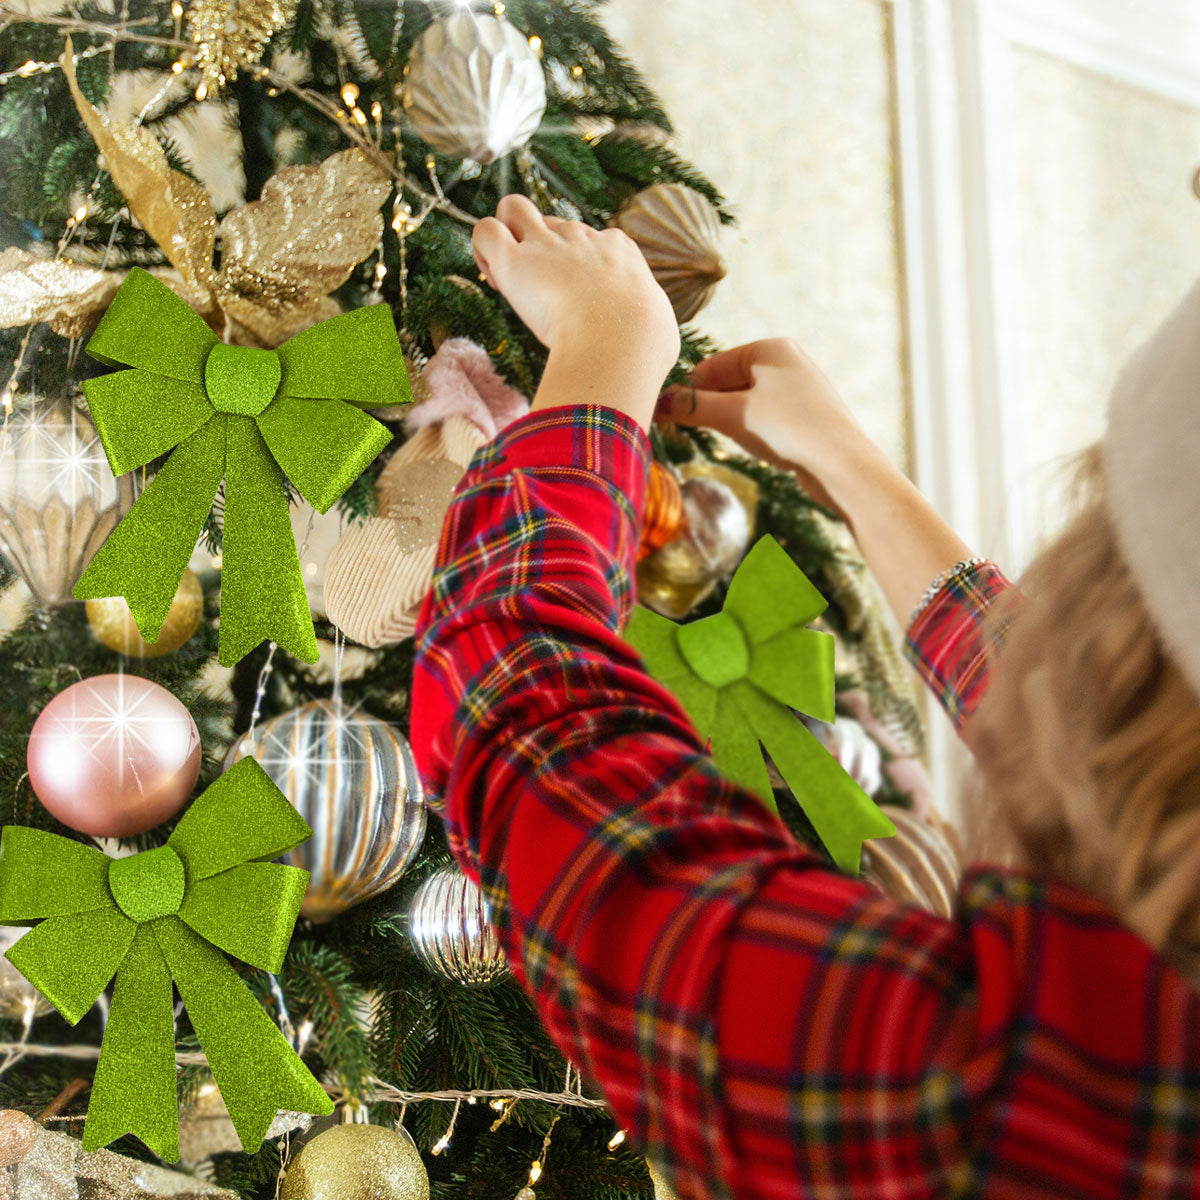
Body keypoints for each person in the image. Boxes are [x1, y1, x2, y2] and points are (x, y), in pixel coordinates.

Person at [409, 193, 1200, 1199]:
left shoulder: (1019, 1104)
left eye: (1103, 552)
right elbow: (1062, 706)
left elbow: (527, 727)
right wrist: (855, 469)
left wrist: (605, 347)